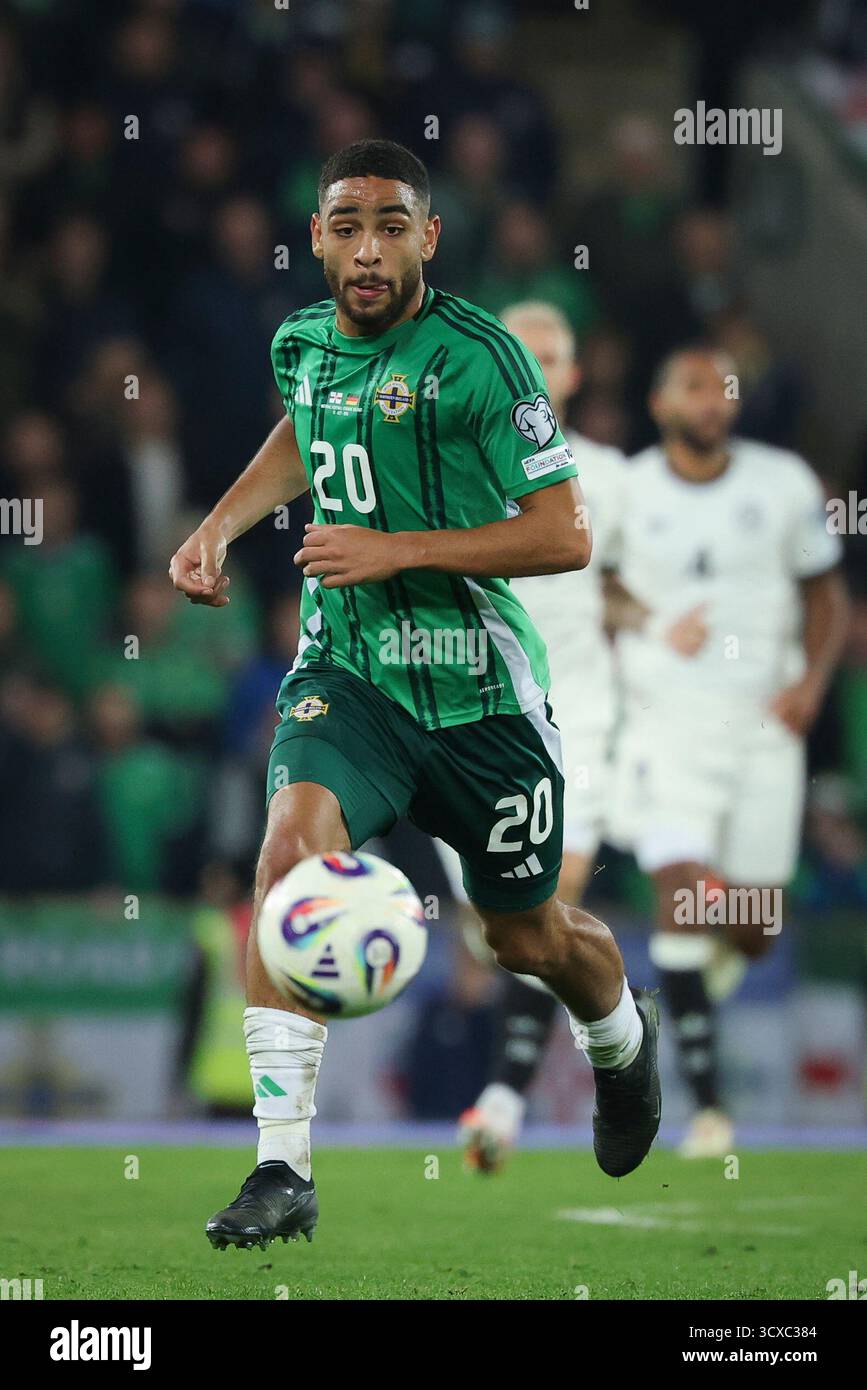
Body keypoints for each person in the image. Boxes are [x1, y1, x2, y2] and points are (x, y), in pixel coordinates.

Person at [169, 140, 660, 1252]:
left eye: (393, 224)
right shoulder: (301, 342)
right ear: (319, 239)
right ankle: (282, 1166)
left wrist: (398, 548)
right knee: (286, 854)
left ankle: (623, 1042)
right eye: (347, 226)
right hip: (350, 678)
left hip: (480, 697)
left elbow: (564, 532)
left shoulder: (485, 356)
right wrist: (218, 526)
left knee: (525, 939)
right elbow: (308, 429)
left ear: (429, 237)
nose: (369, 247)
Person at [605, 345, 848, 1157]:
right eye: (693, 388)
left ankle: (691, 972)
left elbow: (826, 594)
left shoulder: (781, 483)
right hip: (665, 721)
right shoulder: (628, 490)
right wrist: (644, 622)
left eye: (722, 390)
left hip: (764, 726)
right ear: (659, 401)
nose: (711, 402)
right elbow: (592, 581)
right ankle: (705, 1111)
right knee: (679, 900)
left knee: (754, 929)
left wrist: (811, 684)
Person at [440, 300, 628, 1171]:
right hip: (475, 717)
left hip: (578, 718)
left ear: (573, 375)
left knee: (543, 899)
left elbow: (630, 586)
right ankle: (619, 1034)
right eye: (523, 355)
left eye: (551, 357)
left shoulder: (612, 479)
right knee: (504, 936)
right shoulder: (451, 459)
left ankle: (505, 1101)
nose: (537, 371)